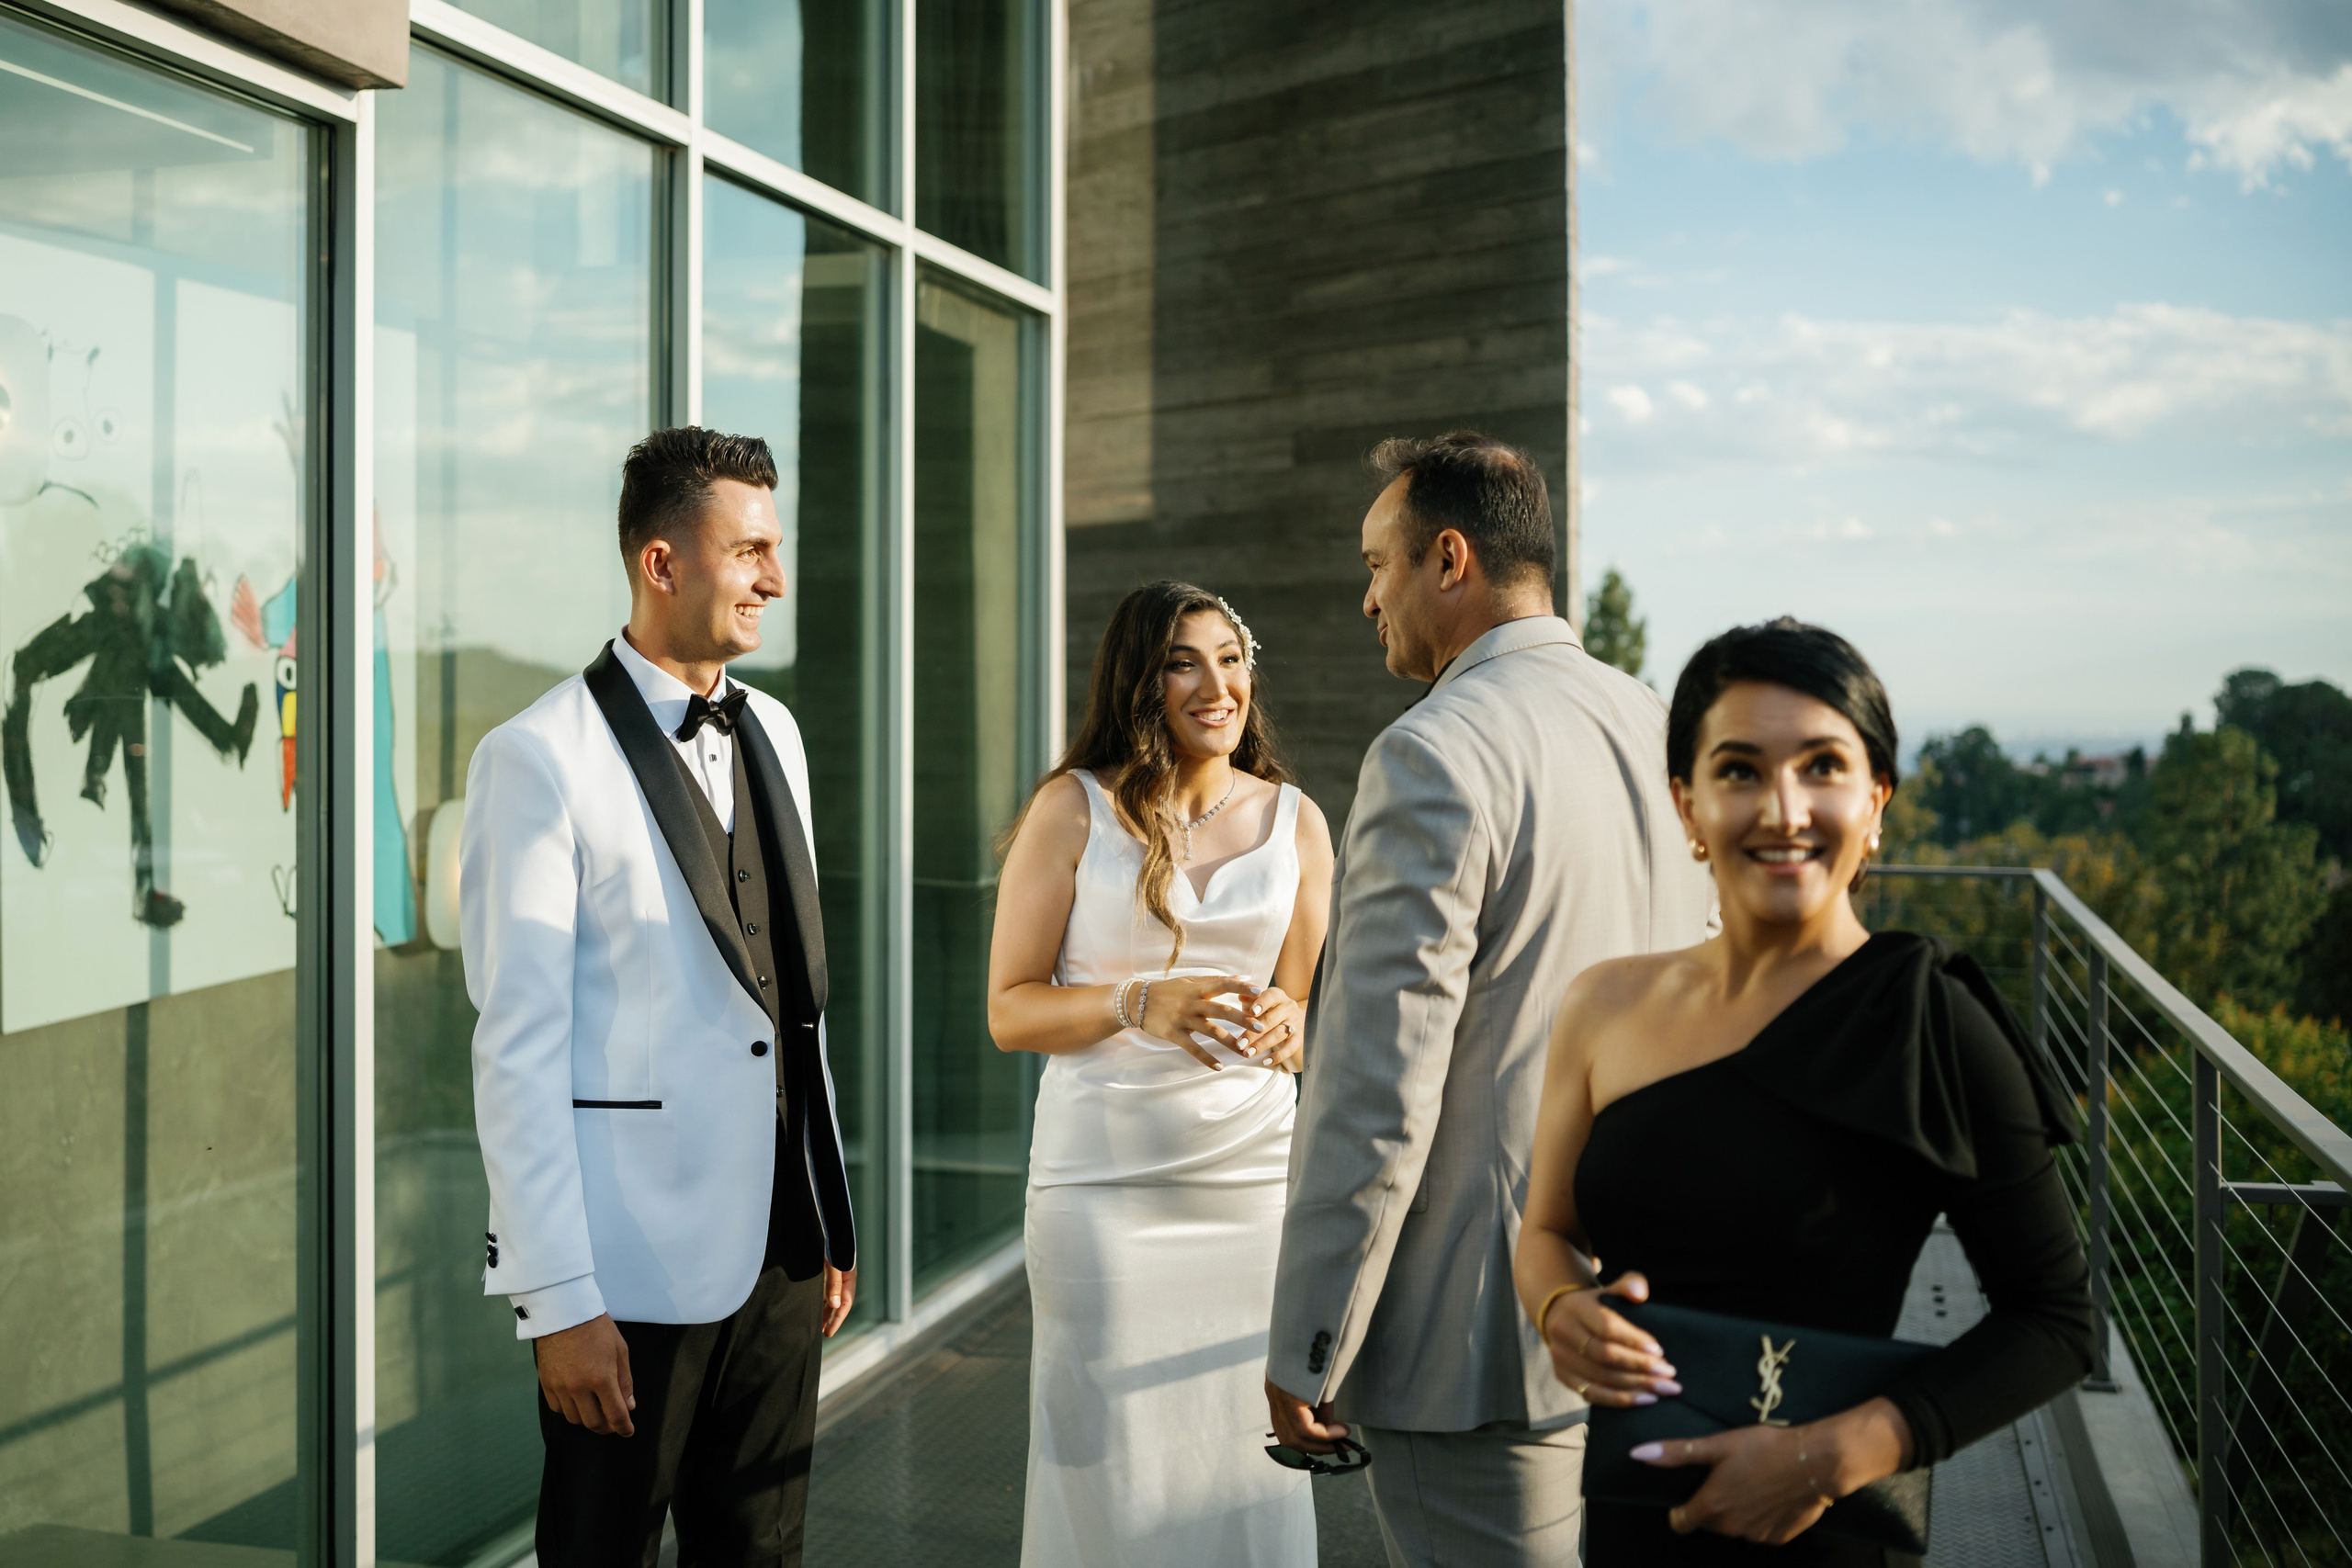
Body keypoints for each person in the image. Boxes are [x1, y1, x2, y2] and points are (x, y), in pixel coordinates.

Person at [1515, 617, 2098, 1563]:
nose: (1783, 809)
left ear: (1875, 801)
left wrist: (1827, 1458)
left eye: (1821, 766)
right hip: (1631, 1512)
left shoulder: (1931, 1022)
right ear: (1687, 803)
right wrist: (1556, 1310)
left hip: (1822, 1527)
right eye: (1739, 769)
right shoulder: (1602, 1003)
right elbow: (1544, 1232)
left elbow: (2057, 1320)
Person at [1264, 432, 1716, 1567]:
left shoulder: (1434, 751)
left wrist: (1311, 1340)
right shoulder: (1660, 723)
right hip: (1652, 1301)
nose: (1366, 599)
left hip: (1475, 1345)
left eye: (1377, 565)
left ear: (1449, 559)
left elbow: (1377, 1083)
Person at [462, 427, 857, 1567]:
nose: (775, 579)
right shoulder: (535, 758)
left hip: (783, 1253)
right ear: (663, 564)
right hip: (626, 1280)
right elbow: (517, 1053)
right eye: (751, 552)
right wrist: (556, 1301)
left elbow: (790, 1000)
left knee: (762, 1552)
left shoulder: (774, 728)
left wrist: (826, 1205)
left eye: (774, 550)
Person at [989, 580, 1335, 1568]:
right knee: (1106, 1463)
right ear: (1141, 679)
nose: (1216, 684)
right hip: (1102, 1193)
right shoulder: (1072, 811)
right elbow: (1008, 1011)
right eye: (1185, 661)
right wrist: (1136, 1001)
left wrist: (1294, 1020)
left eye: (1231, 658)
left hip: (1251, 1193)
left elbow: (1311, 1020)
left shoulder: (1297, 823)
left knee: (1246, 1467)